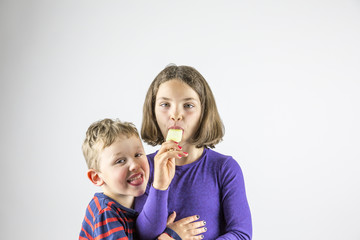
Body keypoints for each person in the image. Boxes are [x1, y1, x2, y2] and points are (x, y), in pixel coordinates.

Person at [134, 65, 252, 239]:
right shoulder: (143, 167)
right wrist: (159, 186)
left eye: (188, 105)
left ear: (204, 112)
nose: (175, 114)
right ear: (153, 111)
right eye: (165, 104)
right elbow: (144, 235)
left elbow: (241, 234)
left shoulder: (225, 169)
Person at [79, 118, 206, 240]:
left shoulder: (131, 204)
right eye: (120, 161)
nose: (135, 165)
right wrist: (170, 236)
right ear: (96, 178)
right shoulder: (105, 213)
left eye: (138, 155)